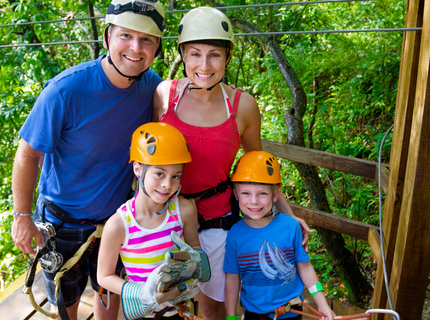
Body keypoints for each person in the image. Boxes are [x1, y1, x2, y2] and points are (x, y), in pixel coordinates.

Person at [152, 6, 312, 320]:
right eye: (195, 54)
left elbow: (259, 169)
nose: (204, 65)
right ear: (182, 54)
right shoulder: (163, 96)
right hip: (165, 217)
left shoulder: (242, 107)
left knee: (215, 307)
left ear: (227, 58)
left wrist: (288, 217)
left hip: (215, 219)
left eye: (214, 55)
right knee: (163, 304)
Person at [11, 1, 165, 319]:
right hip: (61, 223)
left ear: (157, 47)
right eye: (126, 36)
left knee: (108, 295)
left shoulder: (151, 86)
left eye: (147, 40)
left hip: (115, 220)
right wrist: (21, 217)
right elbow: (27, 154)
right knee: (65, 306)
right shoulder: (66, 91)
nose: (135, 48)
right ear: (107, 38)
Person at [97, 122, 210, 320]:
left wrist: (197, 266)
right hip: (143, 312)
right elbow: (104, 276)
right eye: (159, 173)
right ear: (138, 169)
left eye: (176, 176)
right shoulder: (118, 225)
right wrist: (142, 294)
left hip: (179, 309)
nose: (168, 185)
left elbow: (194, 246)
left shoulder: (184, 210)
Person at [224, 151, 335, 320]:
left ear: (275, 195)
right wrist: (231, 317)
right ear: (236, 194)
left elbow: (305, 268)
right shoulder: (235, 235)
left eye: (262, 193)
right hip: (254, 314)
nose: (254, 201)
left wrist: (322, 304)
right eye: (246, 193)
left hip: (291, 312)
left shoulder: (290, 227)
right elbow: (232, 279)